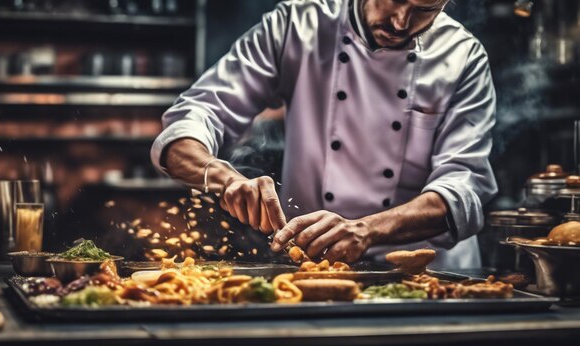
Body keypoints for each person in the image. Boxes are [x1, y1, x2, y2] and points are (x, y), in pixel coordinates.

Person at [151, 0, 497, 269]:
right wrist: (224, 177)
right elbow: (194, 116)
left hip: (430, 278)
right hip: (314, 267)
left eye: (425, 9)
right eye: (391, 1)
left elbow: (463, 189)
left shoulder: (463, 57)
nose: (400, 22)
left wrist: (367, 229)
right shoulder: (298, 25)